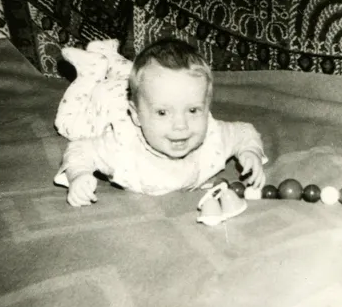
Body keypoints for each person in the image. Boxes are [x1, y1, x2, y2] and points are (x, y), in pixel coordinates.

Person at [55, 38, 267, 207]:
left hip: (144, 93)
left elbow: (244, 132)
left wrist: (250, 152)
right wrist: (79, 175)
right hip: (107, 103)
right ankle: (91, 71)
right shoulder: (121, 146)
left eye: (193, 110)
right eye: (163, 113)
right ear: (136, 116)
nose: (181, 125)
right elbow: (79, 149)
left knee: (140, 81)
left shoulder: (213, 136)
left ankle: (110, 56)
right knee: (69, 125)